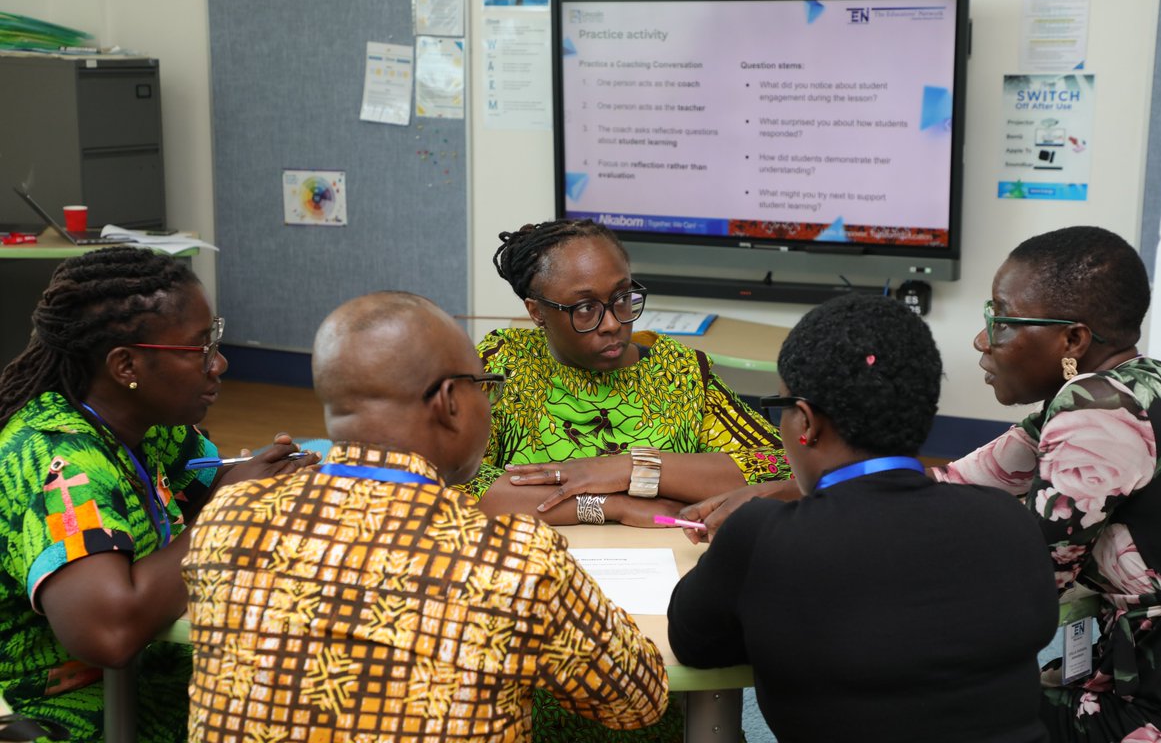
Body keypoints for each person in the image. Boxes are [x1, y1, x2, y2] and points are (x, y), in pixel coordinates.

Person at [183, 291, 669, 742]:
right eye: (486, 388)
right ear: (450, 402)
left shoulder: (227, 518)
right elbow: (638, 701)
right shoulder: (511, 561)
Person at [668, 293, 1060, 742]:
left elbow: (694, 644)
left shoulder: (762, 536)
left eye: (781, 408)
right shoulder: (1010, 522)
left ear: (806, 423)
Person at [0, 246, 313, 742]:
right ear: (126, 365)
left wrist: (269, 480)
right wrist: (230, 508)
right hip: (71, 713)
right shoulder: (57, 458)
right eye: (200, 348)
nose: (219, 363)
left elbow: (209, 490)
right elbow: (109, 633)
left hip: (159, 678)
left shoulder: (151, 425)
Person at [928, 226, 1161, 741]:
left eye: (1002, 320)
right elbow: (955, 483)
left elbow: (1031, 583)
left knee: (936, 702)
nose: (983, 340)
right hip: (1150, 675)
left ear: (1073, 340)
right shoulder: (1146, 381)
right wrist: (810, 482)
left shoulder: (1094, 410)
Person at [464, 218, 794, 529]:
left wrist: (631, 467)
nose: (612, 323)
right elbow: (452, 482)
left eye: (622, 298)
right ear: (537, 312)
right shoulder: (504, 365)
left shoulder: (678, 372)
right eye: (585, 308)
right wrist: (608, 505)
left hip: (665, 558)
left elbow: (783, 468)